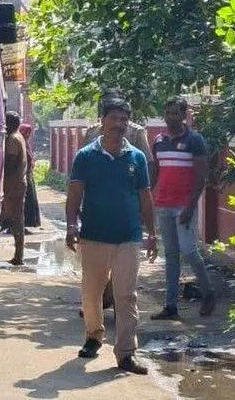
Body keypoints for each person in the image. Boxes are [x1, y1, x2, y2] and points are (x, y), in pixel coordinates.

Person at [65, 97, 158, 375]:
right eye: (114, 119)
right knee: (91, 293)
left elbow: (145, 198)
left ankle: (126, 353)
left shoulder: (137, 158)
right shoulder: (85, 157)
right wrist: (71, 226)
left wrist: (151, 233)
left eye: (123, 120)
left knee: (126, 295)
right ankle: (94, 335)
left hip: (128, 237)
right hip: (94, 235)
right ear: (102, 121)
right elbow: (74, 197)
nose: (119, 125)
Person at [80, 89, 156, 314]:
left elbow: (147, 165)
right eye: (111, 115)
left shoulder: (135, 133)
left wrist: (145, 200)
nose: (117, 122)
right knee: (96, 265)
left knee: (123, 264)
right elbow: (82, 167)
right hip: (97, 206)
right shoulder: (91, 132)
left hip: (127, 205)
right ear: (103, 115)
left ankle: (115, 300)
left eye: (122, 117)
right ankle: (95, 304)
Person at [151, 96, 216, 319]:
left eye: (176, 113)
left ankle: (208, 293)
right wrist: (152, 198)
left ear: (184, 115)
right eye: (168, 113)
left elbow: (201, 177)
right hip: (163, 205)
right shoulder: (159, 140)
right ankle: (170, 306)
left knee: (189, 250)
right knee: (170, 255)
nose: (171, 117)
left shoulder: (194, 141)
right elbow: (157, 173)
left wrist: (190, 206)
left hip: (184, 206)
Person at [0, 111, 28, 265]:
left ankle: (19, 256)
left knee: (15, 220)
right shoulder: (19, 137)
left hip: (12, 187)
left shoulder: (12, 139)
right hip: (17, 185)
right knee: (16, 220)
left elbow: (9, 164)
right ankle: (18, 254)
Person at [19, 122, 42, 230]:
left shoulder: (25, 144)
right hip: (22, 177)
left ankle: (25, 225)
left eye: (29, 133)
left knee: (29, 202)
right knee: (24, 202)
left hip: (28, 176)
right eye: (26, 132)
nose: (28, 135)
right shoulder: (19, 143)